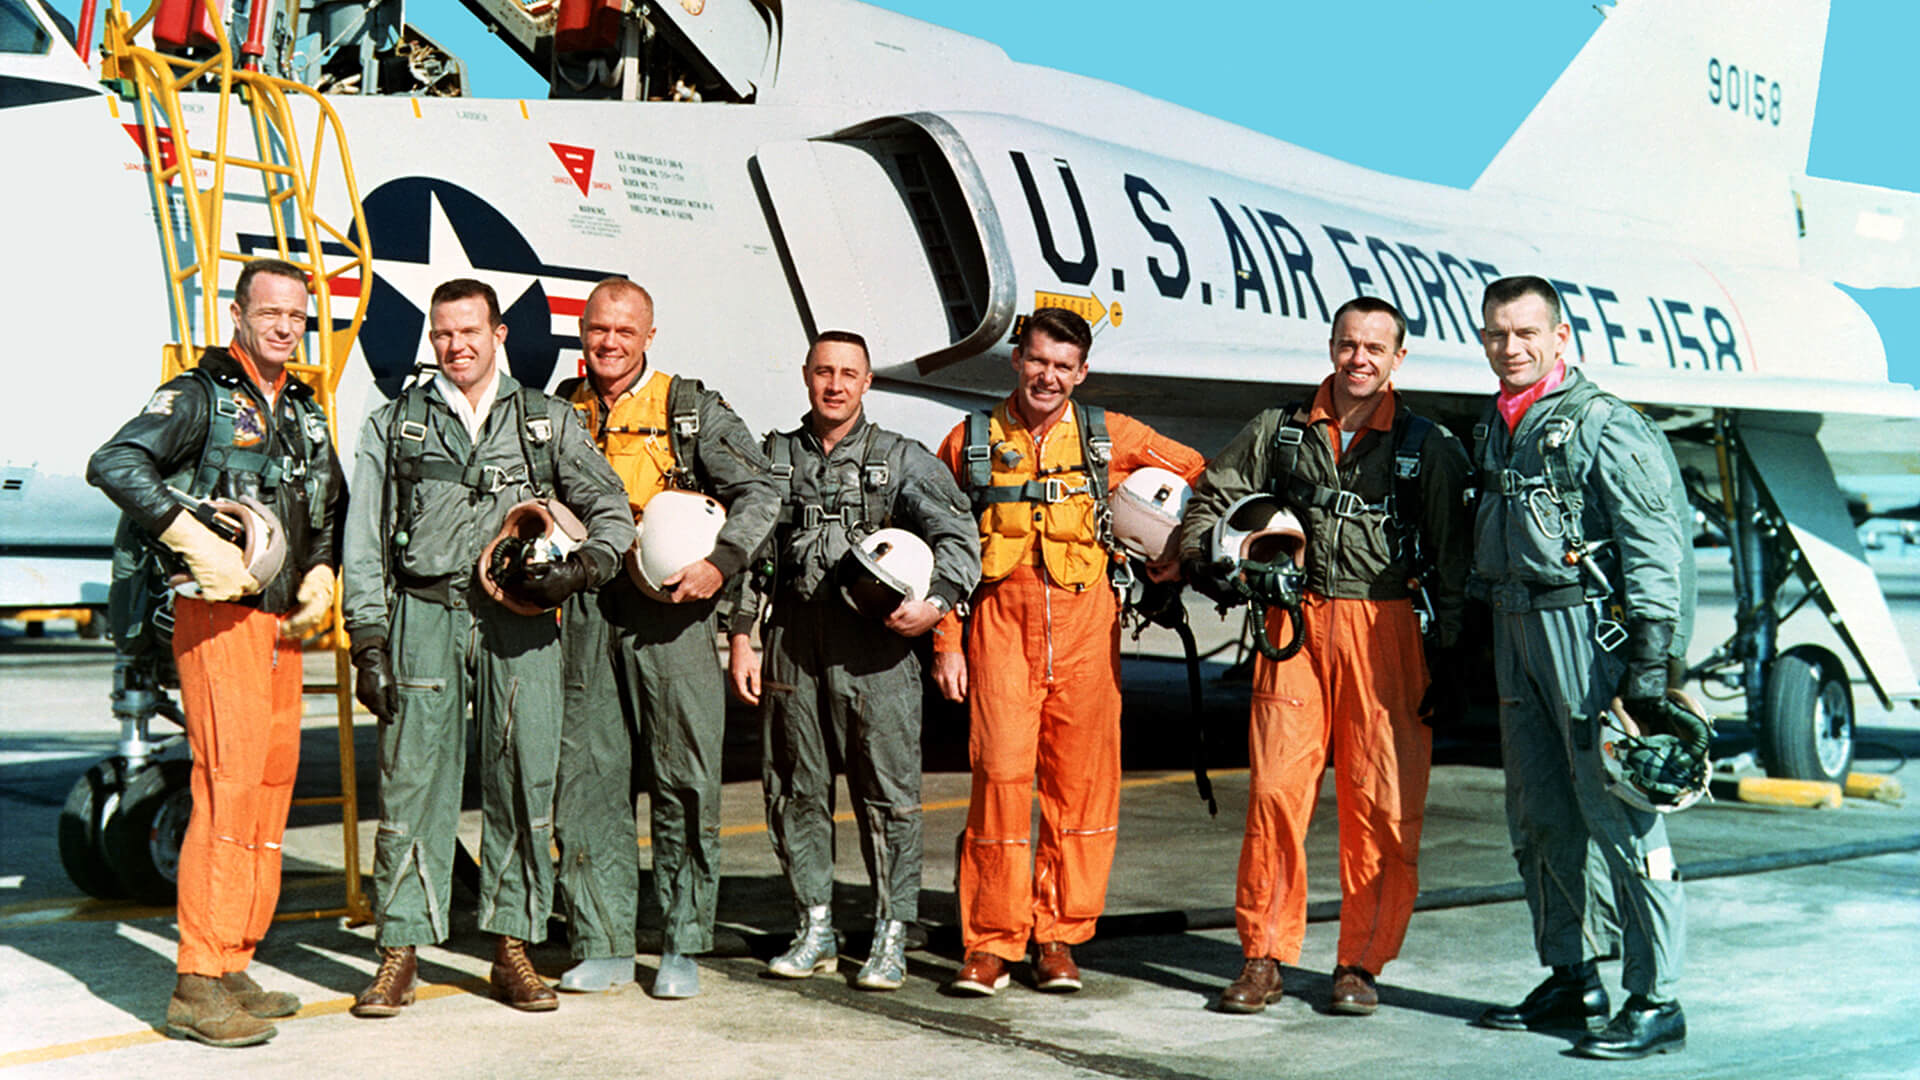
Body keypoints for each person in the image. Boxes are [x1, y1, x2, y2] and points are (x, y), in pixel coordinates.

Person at [341, 278, 634, 1018]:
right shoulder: (395, 424)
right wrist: (368, 637)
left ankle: (513, 948)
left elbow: (611, 509)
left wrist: (583, 569)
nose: (456, 346)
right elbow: (364, 537)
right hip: (424, 616)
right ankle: (400, 951)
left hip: (519, 623)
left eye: (470, 331)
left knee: (524, 782)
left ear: (498, 335)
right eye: (443, 333)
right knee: (411, 785)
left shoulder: (545, 421)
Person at [1176, 297, 1472, 1017]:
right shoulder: (1278, 433)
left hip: (1388, 630)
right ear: (1332, 346)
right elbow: (1208, 501)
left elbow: (1455, 563)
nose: (1359, 359)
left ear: (1398, 357)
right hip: (1295, 624)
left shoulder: (1428, 447)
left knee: (1381, 806)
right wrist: (1215, 564)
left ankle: (1360, 963)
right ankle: (1263, 955)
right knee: (1276, 795)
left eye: (1375, 348)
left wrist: (1452, 661)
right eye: (1348, 344)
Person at [87, 257, 346, 1047]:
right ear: (237, 315)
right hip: (217, 615)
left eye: (296, 316)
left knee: (268, 788)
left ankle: (234, 959)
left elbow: (329, 503)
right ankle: (196, 981)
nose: (285, 327)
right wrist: (190, 537)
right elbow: (114, 463)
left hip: (280, 624)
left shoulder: (302, 410)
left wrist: (323, 569)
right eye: (270, 313)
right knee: (226, 786)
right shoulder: (198, 397)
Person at [931, 307, 1204, 996]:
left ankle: (1058, 937)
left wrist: (1173, 550)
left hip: (1087, 625)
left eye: (1063, 366)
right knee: (999, 779)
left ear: (1081, 372)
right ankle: (991, 942)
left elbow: (1196, 473)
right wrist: (947, 642)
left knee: (1080, 788)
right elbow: (940, 546)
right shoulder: (969, 442)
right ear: (1016, 361)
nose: (1047, 376)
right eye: (1037, 360)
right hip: (1001, 624)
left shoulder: (1111, 436)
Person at [1468, 275, 1692, 1060]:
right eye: (1497, 333)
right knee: (1539, 815)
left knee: (1621, 814)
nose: (1511, 347)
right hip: (1515, 628)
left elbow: (1654, 545)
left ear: (1560, 337)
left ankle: (1657, 998)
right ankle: (1573, 976)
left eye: (1526, 332)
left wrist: (1651, 665)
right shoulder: (1499, 423)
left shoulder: (1606, 423)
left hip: (1586, 635)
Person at [725, 331, 980, 990]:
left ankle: (892, 932)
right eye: (823, 371)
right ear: (806, 375)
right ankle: (815, 927)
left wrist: (936, 604)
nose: (834, 385)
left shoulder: (901, 459)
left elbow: (959, 536)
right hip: (793, 641)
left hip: (876, 648)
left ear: (867, 382)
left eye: (848, 373)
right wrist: (742, 636)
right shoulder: (773, 459)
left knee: (889, 794)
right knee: (794, 787)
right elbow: (751, 554)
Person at [549, 277, 778, 999]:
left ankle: (681, 943)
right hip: (587, 608)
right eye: (598, 329)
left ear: (649, 336)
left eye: (625, 331)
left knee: (684, 778)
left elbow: (761, 491)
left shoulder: (691, 409)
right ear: (582, 332)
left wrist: (722, 564)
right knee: (588, 778)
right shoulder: (561, 409)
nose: (609, 343)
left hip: (673, 610)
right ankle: (604, 942)